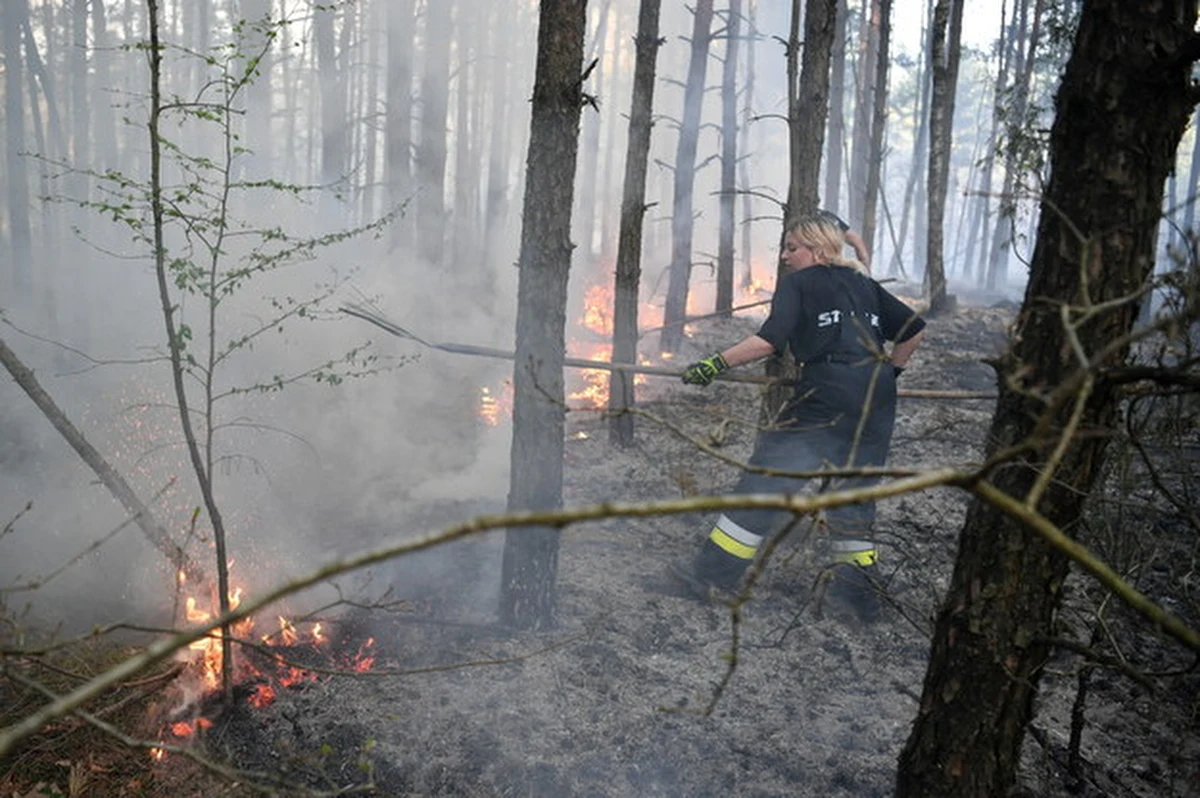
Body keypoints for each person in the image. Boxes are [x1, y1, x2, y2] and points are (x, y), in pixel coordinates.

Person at [671, 212, 925, 622]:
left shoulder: (799, 284)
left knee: (767, 479)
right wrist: (889, 374)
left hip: (826, 392)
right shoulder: (864, 284)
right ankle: (860, 600)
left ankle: (711, 576)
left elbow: (769, 341)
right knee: (853, 494)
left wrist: (714, 364)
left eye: (793, 248)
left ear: (818, 248)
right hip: (876, 398)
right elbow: (913, 329)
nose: (786, 257)